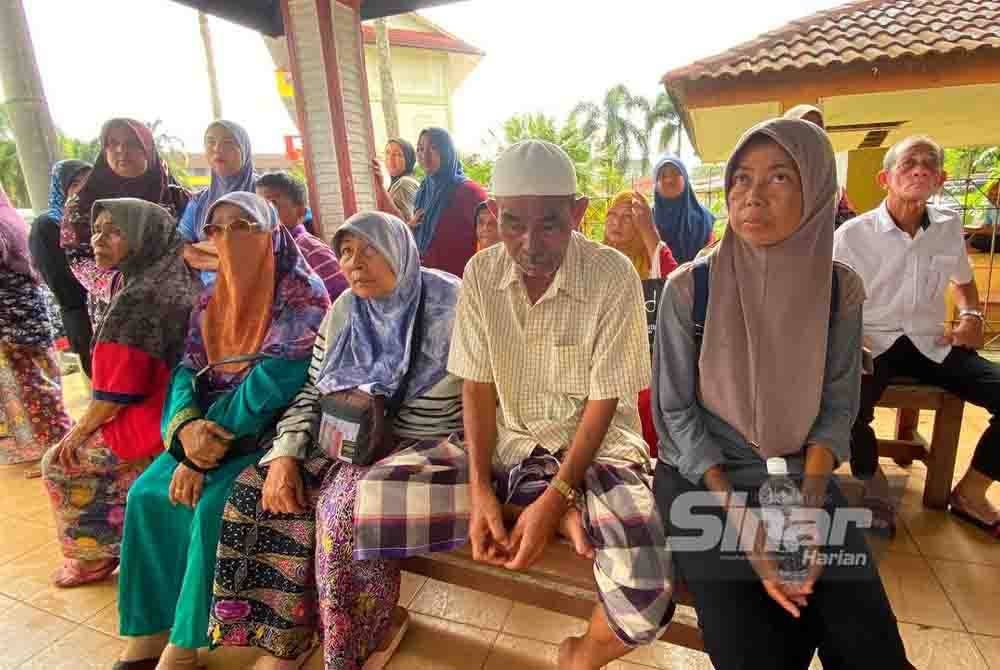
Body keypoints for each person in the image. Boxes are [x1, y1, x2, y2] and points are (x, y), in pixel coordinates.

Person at [652, 118, 912, 669]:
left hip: (799, 474)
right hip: (706, 479)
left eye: (779, 179)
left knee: (871, 651)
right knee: (757, 655)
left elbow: (838, 406)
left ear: (816, 190)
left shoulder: (840, 290)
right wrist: (745, 524)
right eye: (741, 179)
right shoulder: (690, 290)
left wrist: (808, 511)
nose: (752, 196)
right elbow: (675, 415)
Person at [449, 140, 673, 669]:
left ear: (577, 213)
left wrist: (557, 494)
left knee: (644, 591)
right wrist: (480, 488)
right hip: (514, 446)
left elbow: (603, 401)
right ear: (493, 215)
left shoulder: (612, 274)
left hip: (598, 453)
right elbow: (476, 387)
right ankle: (554, 507)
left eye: (549, 224)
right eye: (512, 223)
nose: (529, 243)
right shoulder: (481, 274)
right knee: (370, 503)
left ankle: (583, 652)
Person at [209, 211, 463, 670]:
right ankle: (286, 636)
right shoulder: (346, 309)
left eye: (369, 249)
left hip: (428, 446)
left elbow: (482, 400)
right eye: (346, 251)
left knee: (344, 509)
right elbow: (315, 390)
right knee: (255, 490)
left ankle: (353, 645)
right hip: (346, 438)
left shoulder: (451, 305)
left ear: (401, 251)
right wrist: (286, 453)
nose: (354, 262)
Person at [115, 192, 329, 670]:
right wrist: (185, 426)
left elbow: (278, 381)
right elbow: (185, 369)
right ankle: (149, 626)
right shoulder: (211, 297)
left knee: (214, 504)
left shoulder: (303, 295)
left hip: (271, 432)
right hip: (206, 430)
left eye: (243, 226)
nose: (228, 239)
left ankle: (187, 640)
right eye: (217, 229)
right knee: (147, 493)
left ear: (272, 235)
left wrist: (200, 452)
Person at [835, 134, 1000, 539]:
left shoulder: (947, 227)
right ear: (884, 178)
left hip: (931, 342)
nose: (920, 168)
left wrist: (971, 314)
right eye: (909, 162)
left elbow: (963, 282)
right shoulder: (852, 235)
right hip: (872, 341)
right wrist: (845, 343)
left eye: (929, 163)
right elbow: (829, 297)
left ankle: (971, 492)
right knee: (844, 403)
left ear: (941, 179)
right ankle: (872, 485)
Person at [40, 198, 199, 589]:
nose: (98, 239)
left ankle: (95, 554)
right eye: (98, 229)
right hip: (176, 404)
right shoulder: (168, 275)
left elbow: (114, 395)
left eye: (115, 231)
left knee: (60, 462)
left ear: (144, 237)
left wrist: (77, 432)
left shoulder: (141, 295)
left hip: (157, 417)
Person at [60, 118, 190, 331]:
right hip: (117, 303)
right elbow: (77, 257)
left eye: (131, 143)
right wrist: (119, 284)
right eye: (112, 143)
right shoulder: (83, 201)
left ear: (147, 148)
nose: (121, 150)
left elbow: (188, 242)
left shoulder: (174, 195)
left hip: (170, 299)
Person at [0, 184, 72, 471]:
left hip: (16, 320)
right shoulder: (9, 217)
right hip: (25, 317)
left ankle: (57, 451)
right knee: (37, 385)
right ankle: (51, 448)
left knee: (36, 387)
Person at [28, 159, 95, 375]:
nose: (83, 189)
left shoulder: (98, 221)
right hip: (81, 315)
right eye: (75, 184)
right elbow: (62, 284)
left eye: (89, 182)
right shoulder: (47, 226)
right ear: (61, 189)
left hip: (107, 310)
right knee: (101, 380)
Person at [179, 120, 257, 285]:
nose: (217, 149)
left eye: (228, 143)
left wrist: (203, 248)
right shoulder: (200, 201)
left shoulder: (265, 192)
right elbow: (180, 246)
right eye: (211, 142)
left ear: (244, 149)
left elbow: (272, 245)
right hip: (210, 293)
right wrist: (225, 263)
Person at [256, 171, 349, 301]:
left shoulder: (310, 248)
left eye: (273, 204)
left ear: (300, 211)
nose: (263, 212)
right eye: (258, 206)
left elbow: (343, 299)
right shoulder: (270, 249)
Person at [410, 127, 487, 276]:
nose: (424, 155)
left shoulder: (469, 192)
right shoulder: (424, 191)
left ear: (447, 150)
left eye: (433, 148)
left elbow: (489, 241)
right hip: (427, 280)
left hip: (461, 282)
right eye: (420, 149)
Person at [784, 104, 858, 229]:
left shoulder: (830, 177)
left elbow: (846, 218)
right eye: (804, 126)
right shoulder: (774, 169)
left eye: (817, 126)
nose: (812, 132)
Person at [651, 155, 715, 264]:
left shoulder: (703, 219)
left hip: (696, 278)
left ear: (685, 178)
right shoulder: (647, 218)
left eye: (675, 173)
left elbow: (710, 259)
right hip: (656, 279)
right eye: (663, 175)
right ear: (656, 184)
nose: (669, 179)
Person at [603, 190, 678, 280]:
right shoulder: (595, 255)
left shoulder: (649, 260)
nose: (617, 222)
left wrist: (649, 231)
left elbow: (673, 286)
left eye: (627, 217)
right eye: (613, 214)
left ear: (640, 223)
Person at [373, 138, 420, 223]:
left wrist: (380, 187)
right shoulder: (398, 182)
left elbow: (401, 224)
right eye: (387, 153)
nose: (390, 158)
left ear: (408, 159)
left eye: (397, 154)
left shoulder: (405, 183)